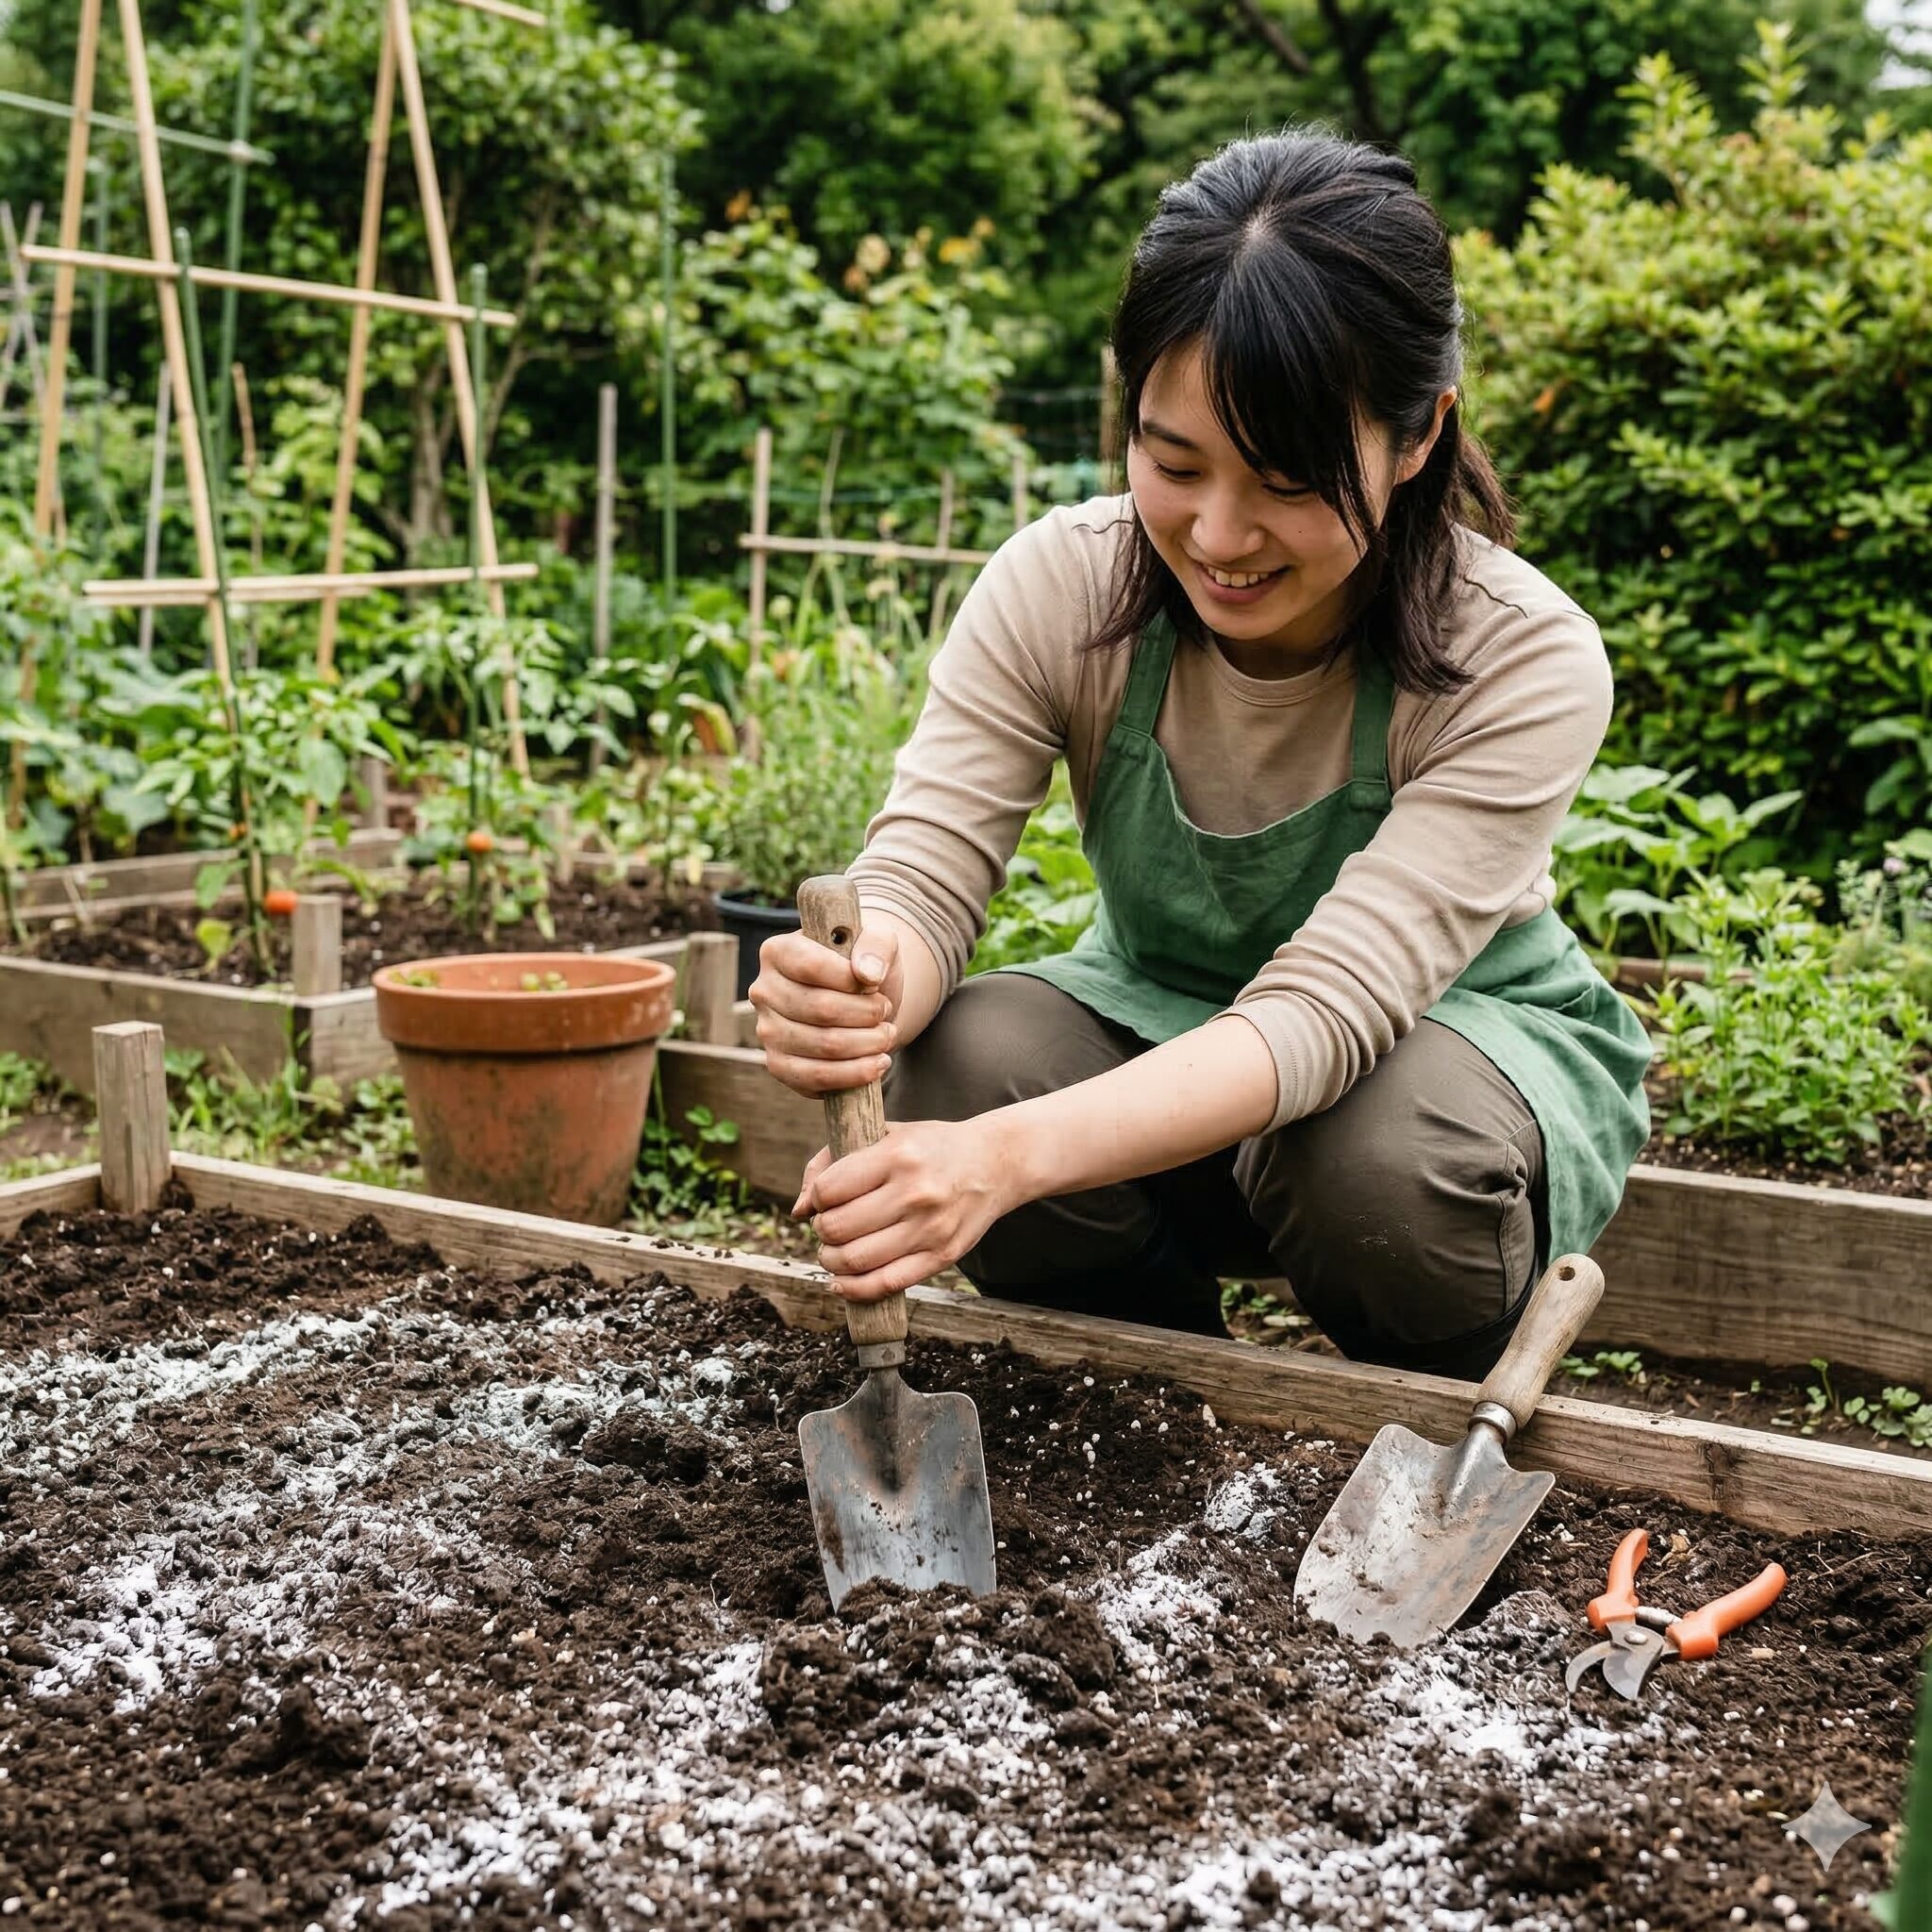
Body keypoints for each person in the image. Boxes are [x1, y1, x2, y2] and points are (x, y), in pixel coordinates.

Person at [747, 129, 1652, 1379]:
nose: (1219, 535)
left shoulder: (1519, 656)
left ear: (1419, 434)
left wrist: (1003, 1161)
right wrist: (860, 986)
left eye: (1286, 480)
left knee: (1378, 1159)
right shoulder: (1064, 583)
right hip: (1164, 1026)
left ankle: (1431, 1399)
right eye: (1174, 464)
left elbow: (1328, 1013)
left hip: (1437, 1058)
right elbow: (925, 874)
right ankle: (1168, 1395)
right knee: (958, 1061)